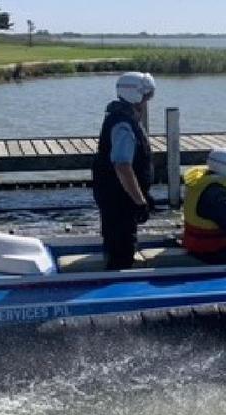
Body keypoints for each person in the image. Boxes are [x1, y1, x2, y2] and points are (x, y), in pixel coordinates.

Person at [92, 72, 156, 270]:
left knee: (115, 242)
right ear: (136, 96)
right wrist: (139, 201)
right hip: (119, 199)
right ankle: (116, 287)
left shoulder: (121, 117)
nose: (147, 102)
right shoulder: (123, 125)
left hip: (115, 196)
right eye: (146, 97)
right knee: (122, 250)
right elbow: (123, 166)